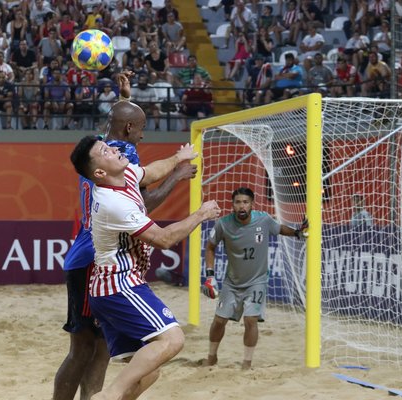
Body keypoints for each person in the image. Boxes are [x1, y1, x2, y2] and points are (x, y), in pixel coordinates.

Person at [53, 72, 197, 400]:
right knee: (86, 350)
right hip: (98, 259)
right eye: (142, 129)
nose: (143, 137)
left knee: (97, 350)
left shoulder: (102, 149)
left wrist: (123, 100)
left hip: (88, 253)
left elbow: (114, 128)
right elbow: (142, 205)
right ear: (130, 129)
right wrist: (177, 175)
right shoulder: (122, 155)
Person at [69, 135, 220, 400]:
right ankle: (106, 396)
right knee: (173, 340)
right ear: (100, 171)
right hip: (118, 284)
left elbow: (150, 172)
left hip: (113, 287)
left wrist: (177, 159)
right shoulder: (112, 203)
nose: (115, 149)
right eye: (106, 150)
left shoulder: (123, 173)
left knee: (148, 372)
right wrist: (201, 214)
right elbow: (164, 239)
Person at [202, 187, 308, 370]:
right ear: (232, 205)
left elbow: (279, 229)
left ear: (252, 204)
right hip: (231, 283)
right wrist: (210, 276)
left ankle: (247, 363)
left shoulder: (264, 219)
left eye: (245, 202)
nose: (241, 206)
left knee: (250, 320)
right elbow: (210, 247)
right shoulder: (223, 224)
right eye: (237, 202)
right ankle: (212, 357)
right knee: (219, 321)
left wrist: (298, 232)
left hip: (257, 282)